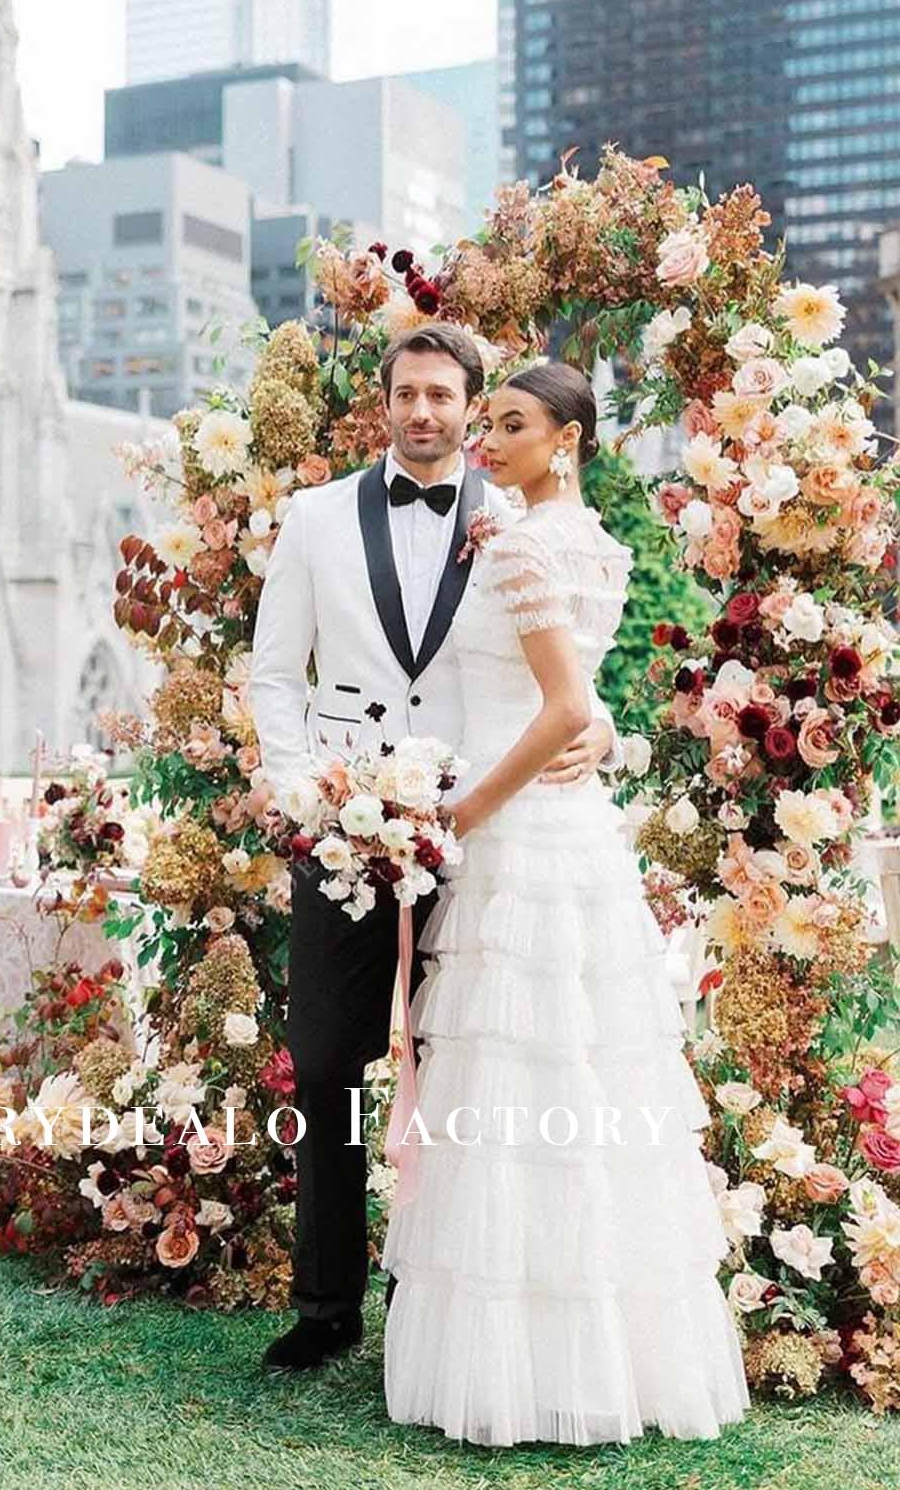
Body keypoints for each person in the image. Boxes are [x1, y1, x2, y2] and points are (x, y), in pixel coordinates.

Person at [382, 361, 751, 1445]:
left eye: (512, 424)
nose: (487, 441)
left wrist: (462, 815)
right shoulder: (598, 546)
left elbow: (560, 710)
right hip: (579, 832)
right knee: (583, 1082)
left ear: (569, 439)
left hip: (522, 831)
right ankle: (603, 1356)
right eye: (486, 421)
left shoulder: (528, 545)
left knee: (520, 1078)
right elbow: (583, 714)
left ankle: (528, 1365)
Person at [248, 326, 621, 1373]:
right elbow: (275, 673)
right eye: (406, 394)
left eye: (444, 397)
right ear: (385, 404)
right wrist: (302, 792)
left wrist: (603, 732)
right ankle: (325, 1305)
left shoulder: (519, 522)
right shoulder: (316, 519)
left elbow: (571, 675)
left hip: (481, 825)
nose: (425, 412)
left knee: (461, 1063)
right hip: (345, 826)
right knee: (329, 1061)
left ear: (469, 410)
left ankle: (432, 1293)